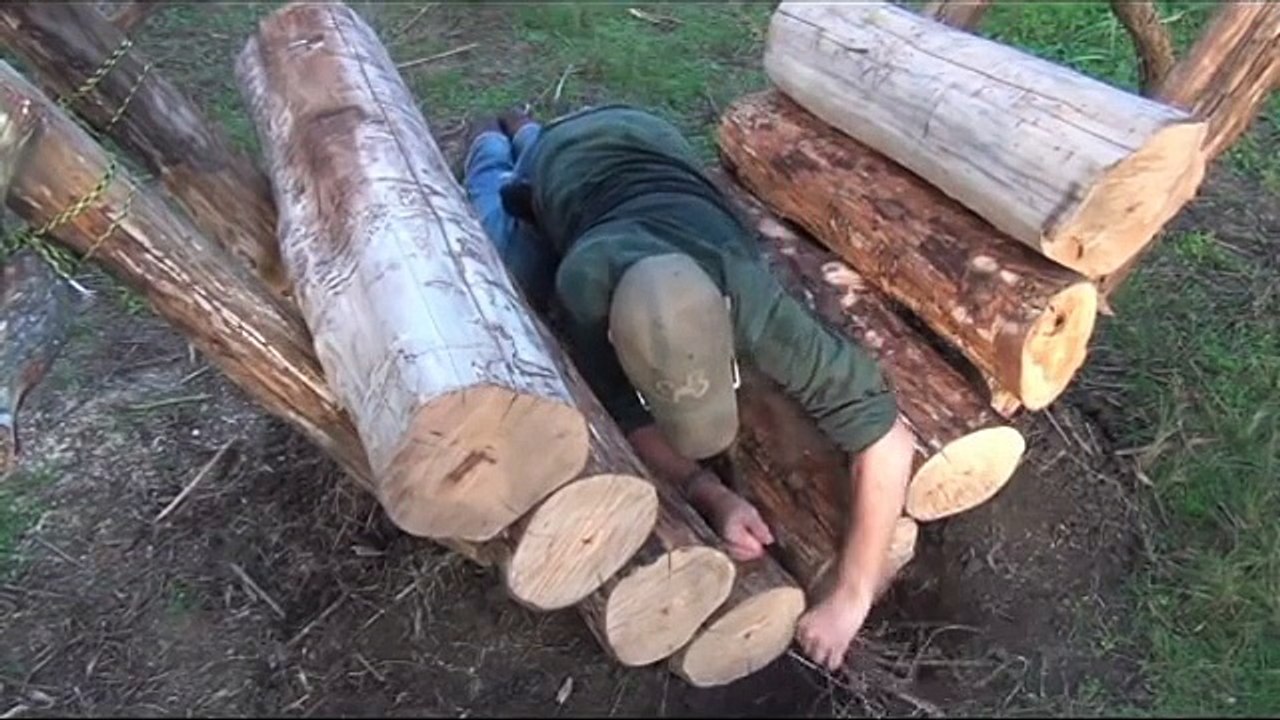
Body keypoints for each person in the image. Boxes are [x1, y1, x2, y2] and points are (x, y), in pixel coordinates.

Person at [460, 104, 916, 671]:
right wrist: (712, 493)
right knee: (504, 261)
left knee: (555, 158)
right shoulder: (583, 283)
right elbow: (628, 413)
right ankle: (492, 147)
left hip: (647, 135)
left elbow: (889, 440)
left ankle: (531, 129)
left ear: (726, 322)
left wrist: (851, 595)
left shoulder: (748, 298)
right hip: (565, 168)